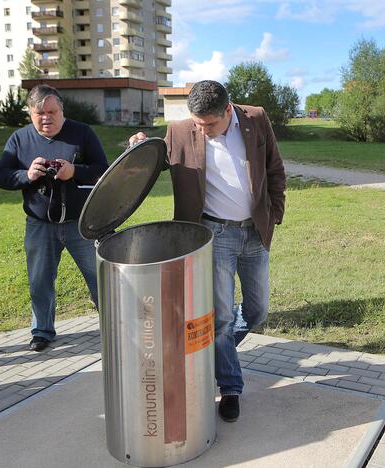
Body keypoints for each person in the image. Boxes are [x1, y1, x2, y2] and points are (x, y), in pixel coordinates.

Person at [129, 80, 286, 423]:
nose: (202, 130)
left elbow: (274, 168)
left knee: (258, 311)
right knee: (222, 318)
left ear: (228, 110)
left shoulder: (256, 119)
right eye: (197, 123)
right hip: (213, 234)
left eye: (209, 124)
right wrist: (140, 146)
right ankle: (230, 387)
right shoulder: (181, 130)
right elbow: (153, 164)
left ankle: (213, 353)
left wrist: (275, 214)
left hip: (254, 232)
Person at [0, 85, 108, 352]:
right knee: (40, 280)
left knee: (99, 277)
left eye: (52, 111)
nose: (46, 117)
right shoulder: (19, 139)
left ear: (62, 110)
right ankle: (42, 331)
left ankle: (115, 325)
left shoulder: (82, 133)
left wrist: (74, 171)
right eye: (39, 113)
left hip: (81, 223)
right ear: (31, 113)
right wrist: (27, 175)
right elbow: (1, 176)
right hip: (39, 224)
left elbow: (103, 169)